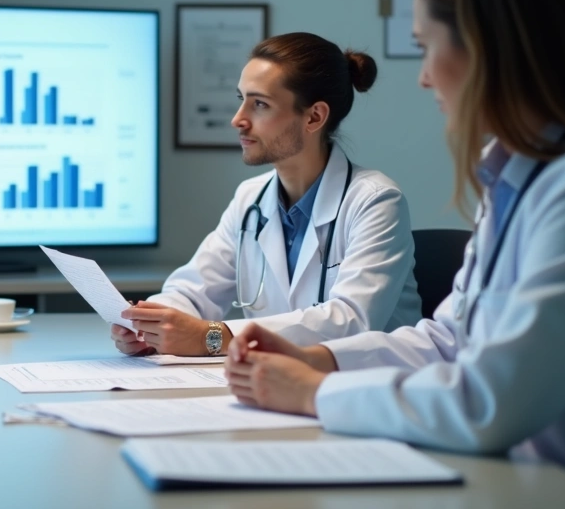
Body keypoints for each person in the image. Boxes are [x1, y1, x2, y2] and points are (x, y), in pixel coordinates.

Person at [224, 0, 565, 493]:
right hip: (502, 479)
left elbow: (490, 402)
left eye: (427, 48)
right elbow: (448, 339)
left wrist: (313, 392)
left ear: (492, 49)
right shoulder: (516, 177)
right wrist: (319, 360)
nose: (425, 78)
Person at [114, 33, 421, 357]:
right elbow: (192, 292)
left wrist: (215, 337)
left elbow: (353, 321)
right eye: (241, 99)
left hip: (367, 392)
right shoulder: (251, 199)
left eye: (259, 104)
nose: (237, 119)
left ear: (314, 116)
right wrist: (149, 323)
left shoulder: (375, 201)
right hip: (276, 387)